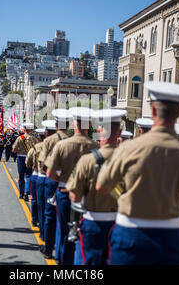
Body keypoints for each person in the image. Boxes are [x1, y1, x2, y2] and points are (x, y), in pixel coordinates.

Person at [97, 81, 179, 265]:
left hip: (130, 233)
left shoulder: (128, 148)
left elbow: (101, 185)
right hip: (169, 236)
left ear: (153, 111)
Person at [67, 109, 125, 265]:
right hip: (121, 225)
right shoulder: (131, 160)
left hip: (94, 224)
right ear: (119, 131)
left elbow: (75, 197)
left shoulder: (87, 160)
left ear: (99, 131)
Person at [45, 107, 99, 265]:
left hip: (65, 191)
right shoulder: (96, 146)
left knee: (64, 234)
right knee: (81, 235)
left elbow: (50, 173)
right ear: (89, 125)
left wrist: (64, 179)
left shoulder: (62, 145)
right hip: (87, 195)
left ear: (74, 124)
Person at [38, 109, 71, 259]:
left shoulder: (49, 141)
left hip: (52, 180)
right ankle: (61, 251)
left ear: (57, 124)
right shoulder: (70, 140)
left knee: (49, 214)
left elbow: (43, 164)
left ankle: (48, 247)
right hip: (69, 182)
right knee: (65, 219)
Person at [12, 123, 38, 201]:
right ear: (30, 130)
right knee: (28, 176)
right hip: (30, 158)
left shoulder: (20, 138)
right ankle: (27, 191)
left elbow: (14, 150)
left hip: (21, 158)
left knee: (21, 177)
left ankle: (21, 194)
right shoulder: (33, 139)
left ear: (25, 129)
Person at [26, 128, 45, 229]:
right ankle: (42, 222)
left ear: (39, 137)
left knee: (34, 199)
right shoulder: (52, 147)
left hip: (36, 174)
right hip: (47, 176)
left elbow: (27, 163)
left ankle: (34, 219)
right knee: (44, 201)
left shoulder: (35, 148)